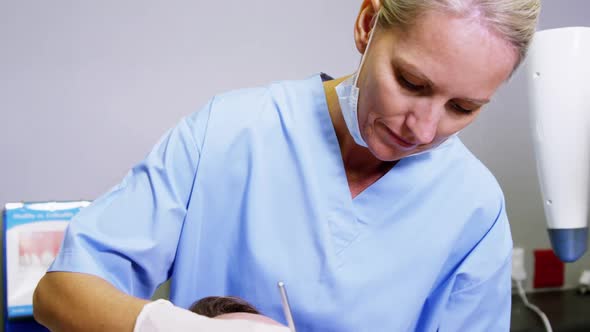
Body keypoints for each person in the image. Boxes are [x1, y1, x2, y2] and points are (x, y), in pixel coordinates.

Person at [33, 0, 541, 331]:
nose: (424, 130)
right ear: (367, 24)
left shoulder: (473, 207)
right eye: (411, 83)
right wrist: (182, 329)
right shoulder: (230, 130)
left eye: (463, 108)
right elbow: (60, 292)